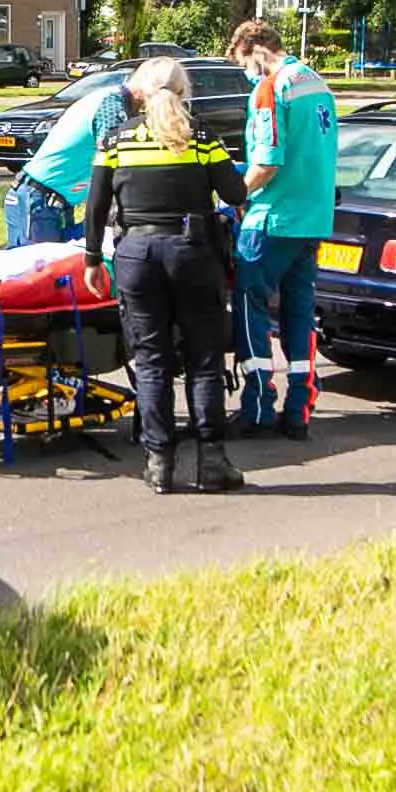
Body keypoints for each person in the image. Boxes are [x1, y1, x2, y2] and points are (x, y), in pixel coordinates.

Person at [85, 56, 247, 495]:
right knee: (204, 361)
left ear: (140, 89)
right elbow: (234, 192)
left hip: (136, 254)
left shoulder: (115, 139)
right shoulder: (201, 137)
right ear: (183, 91)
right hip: (192, 252)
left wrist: (91, 261)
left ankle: (159, 465)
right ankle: (212, 463)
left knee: (152, 362)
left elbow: (96, 206)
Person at [226, 17, 339, 440]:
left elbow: (268, 161)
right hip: (312, 218)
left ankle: (258, 405)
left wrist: (234, 193)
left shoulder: (270, 88)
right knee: (298, 311)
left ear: (256, 51)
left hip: (272, 218)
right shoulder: (318, 83)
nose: (246, 73)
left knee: (250, 305)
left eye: (244, 63)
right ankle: (300, 405)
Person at [3, 67, 130, 247]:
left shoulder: (111, 100)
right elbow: (113, 154)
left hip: (54, 201)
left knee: (60, 262)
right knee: (36, 266)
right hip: (39, 199)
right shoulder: (112, 105)